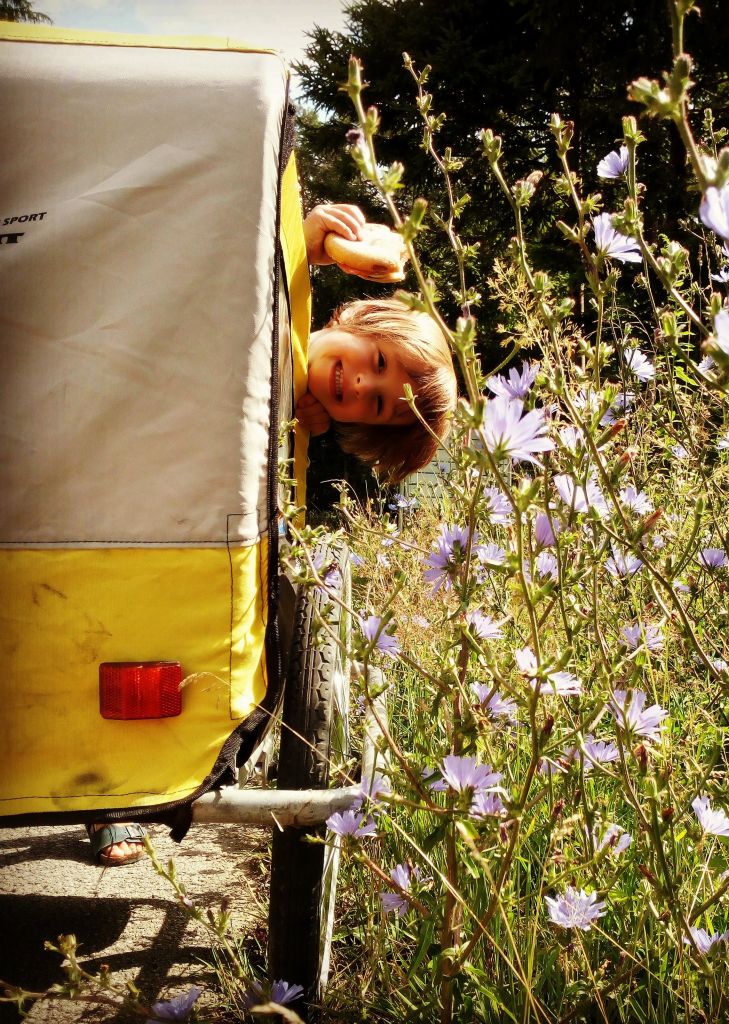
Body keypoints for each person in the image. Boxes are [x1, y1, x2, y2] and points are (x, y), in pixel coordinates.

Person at [87, 204, 456, 866]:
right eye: (373, 360)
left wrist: (300, 419)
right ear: (354, 319)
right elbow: (254, 274)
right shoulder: (292, 306)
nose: (359, 381)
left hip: (189, 529)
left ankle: (124, 792)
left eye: (373, 400)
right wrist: (315, 242)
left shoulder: (305, 421)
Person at [295, 203, 457, 483]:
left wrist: (294, 429)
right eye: (380, 362)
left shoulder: (298, 420)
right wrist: (300, 249)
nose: (363, 386)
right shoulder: (288, 296)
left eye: (379, 404)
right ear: (358, 316)